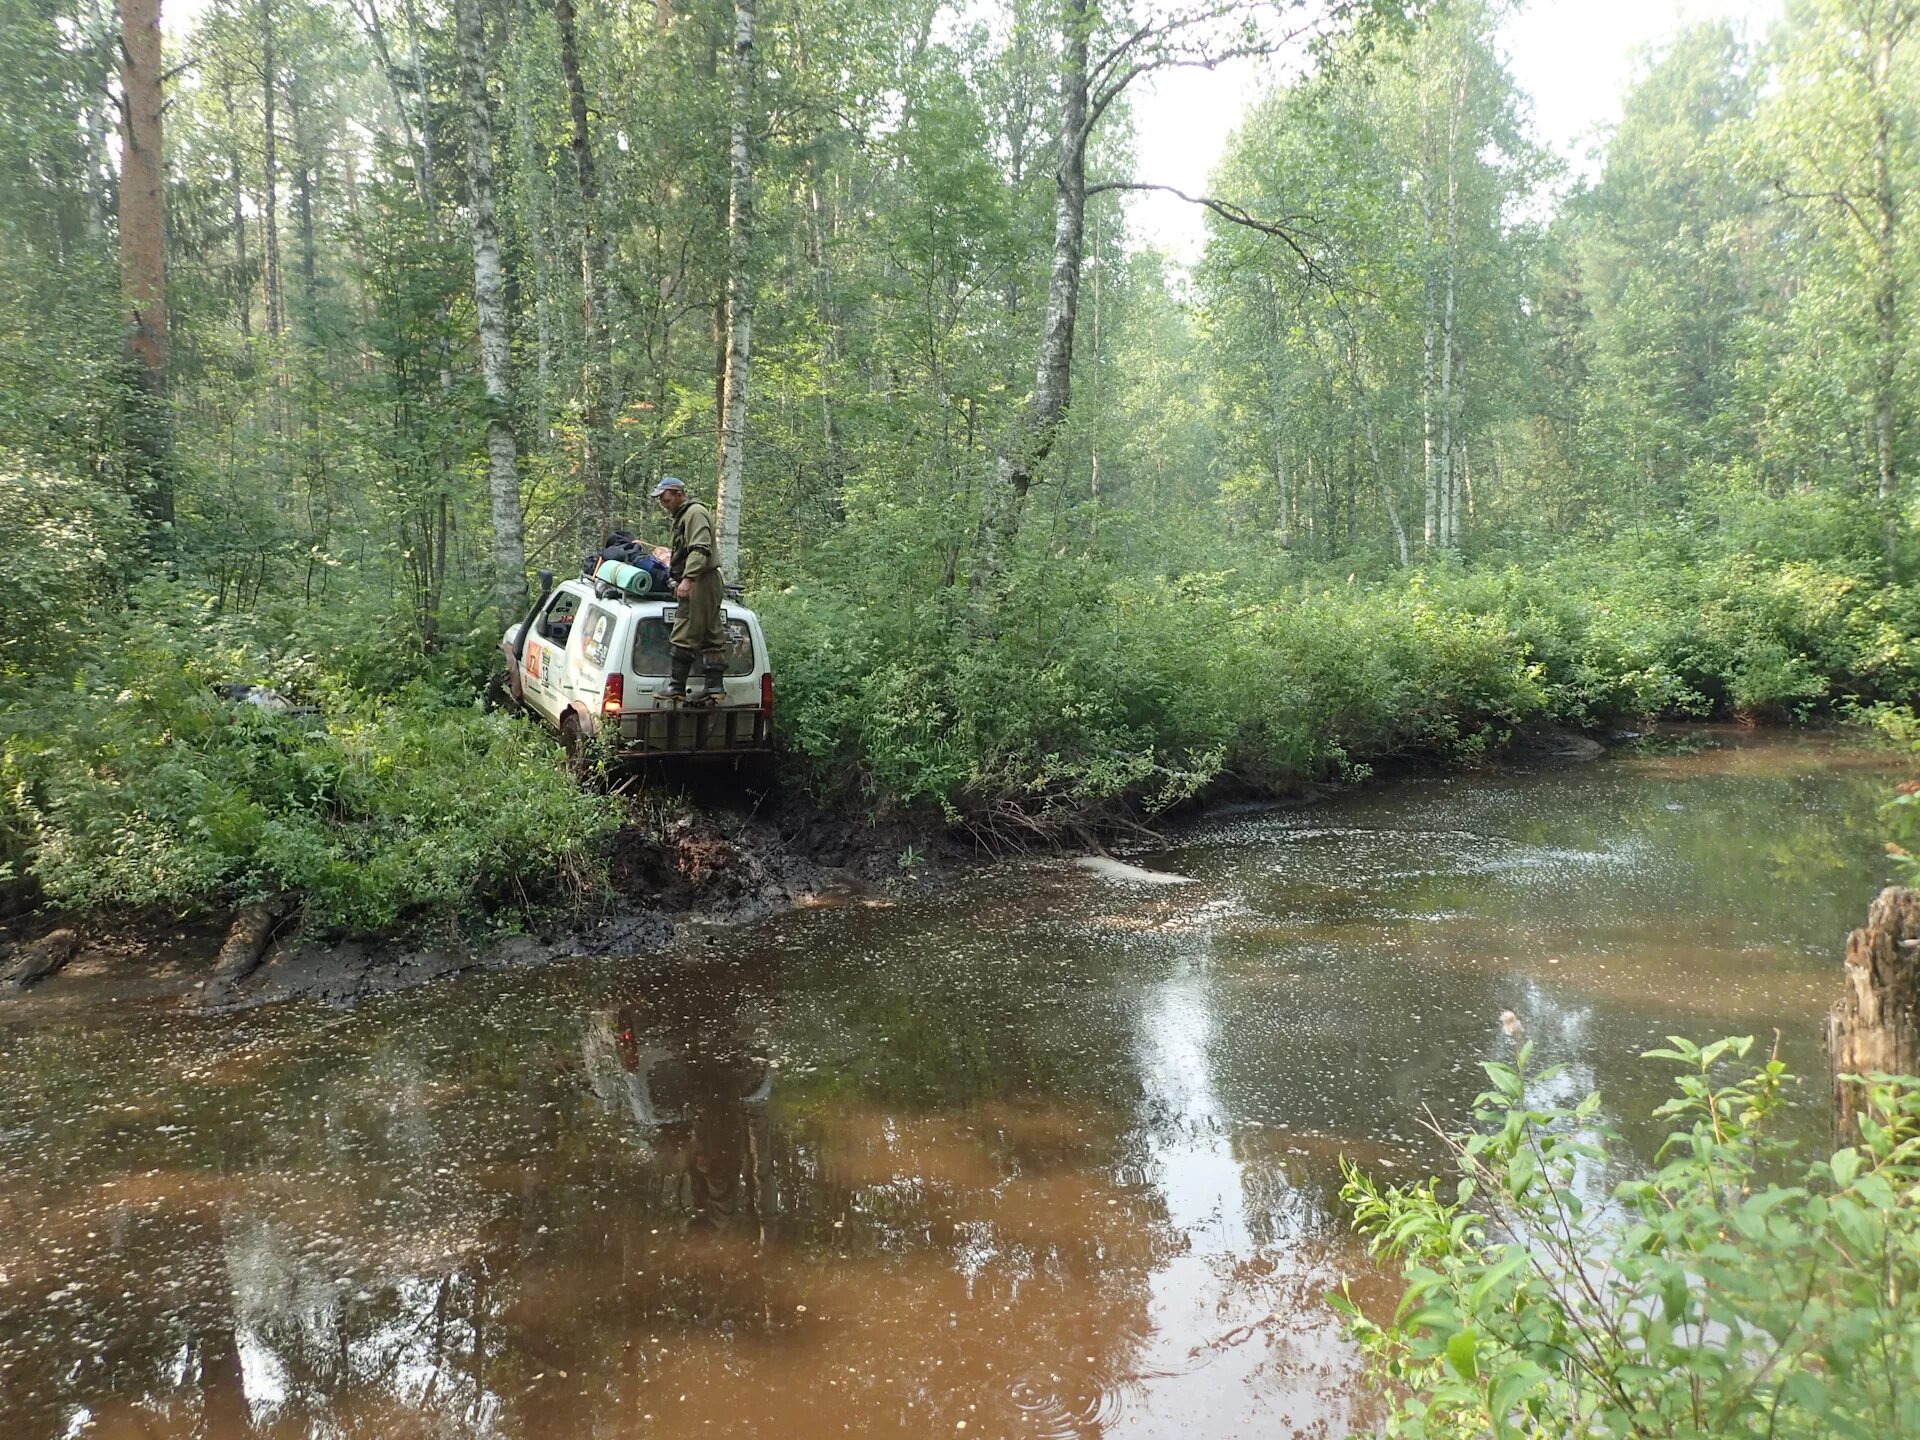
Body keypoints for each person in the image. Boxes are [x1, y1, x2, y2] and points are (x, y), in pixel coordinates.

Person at [651, 475, 728, 701]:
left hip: (700, 580)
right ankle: (714, 688)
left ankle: (676, 687)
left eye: (666, 500)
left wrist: (688, 579)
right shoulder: (687, 514)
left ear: (678, 494)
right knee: (711, 632)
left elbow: (700, 549)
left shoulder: (694, 513)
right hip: (706, 580)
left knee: (684, 629)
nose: (664, 506)